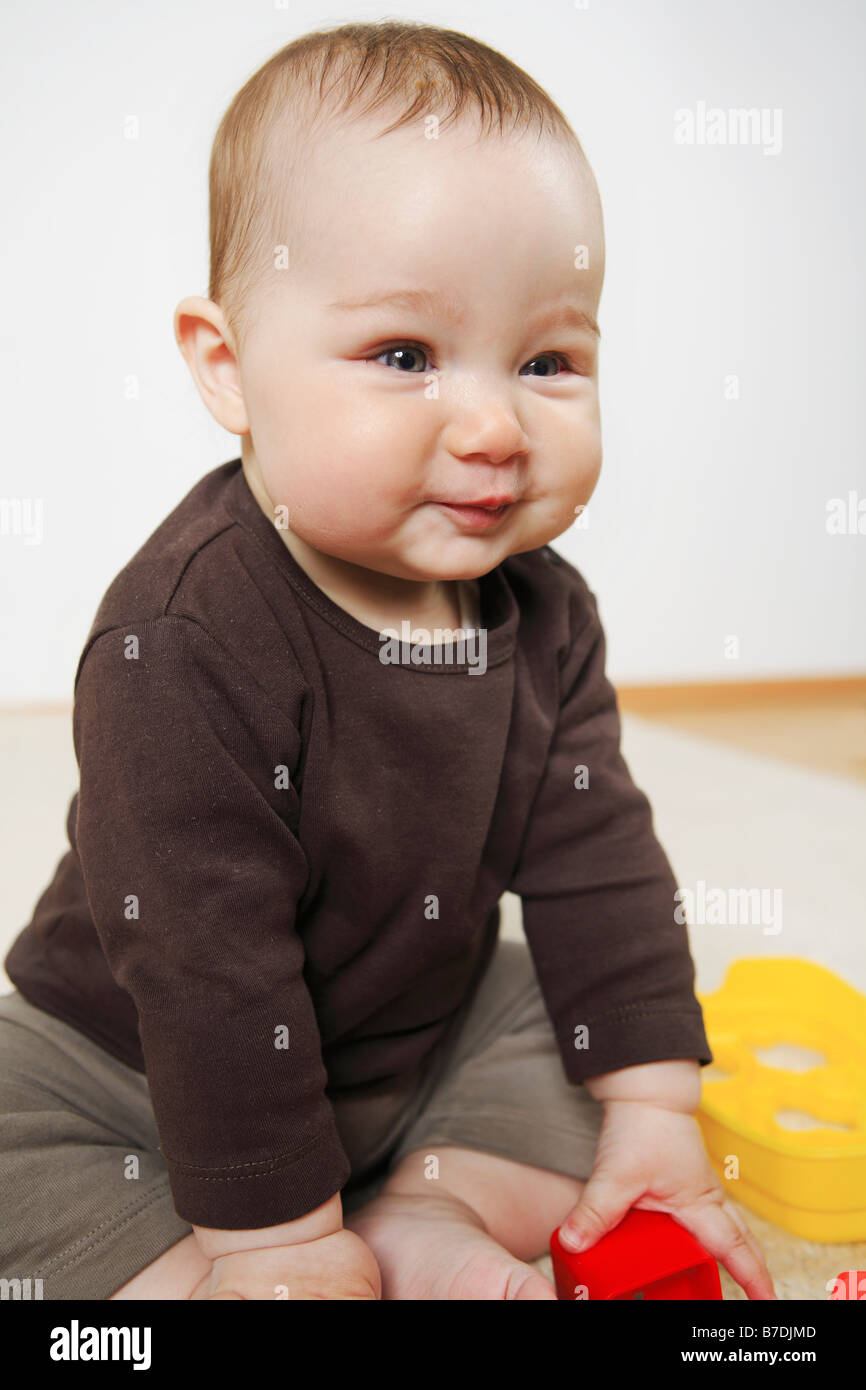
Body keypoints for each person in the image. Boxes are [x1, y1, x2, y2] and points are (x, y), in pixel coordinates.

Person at [1, 20, 775, 1300]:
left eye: (546, 361)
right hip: (135, 1068)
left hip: (409, 1037)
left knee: (601, 1023)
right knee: (18, 1146)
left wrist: (651, 1114)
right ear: (229, 366)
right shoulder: (180, 638)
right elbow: (206, 960)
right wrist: (274, 1238)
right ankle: (218, 1259)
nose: (490, 424)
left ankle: (427, 1216)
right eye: (404, 356)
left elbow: (598, 863)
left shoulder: (544, 614)